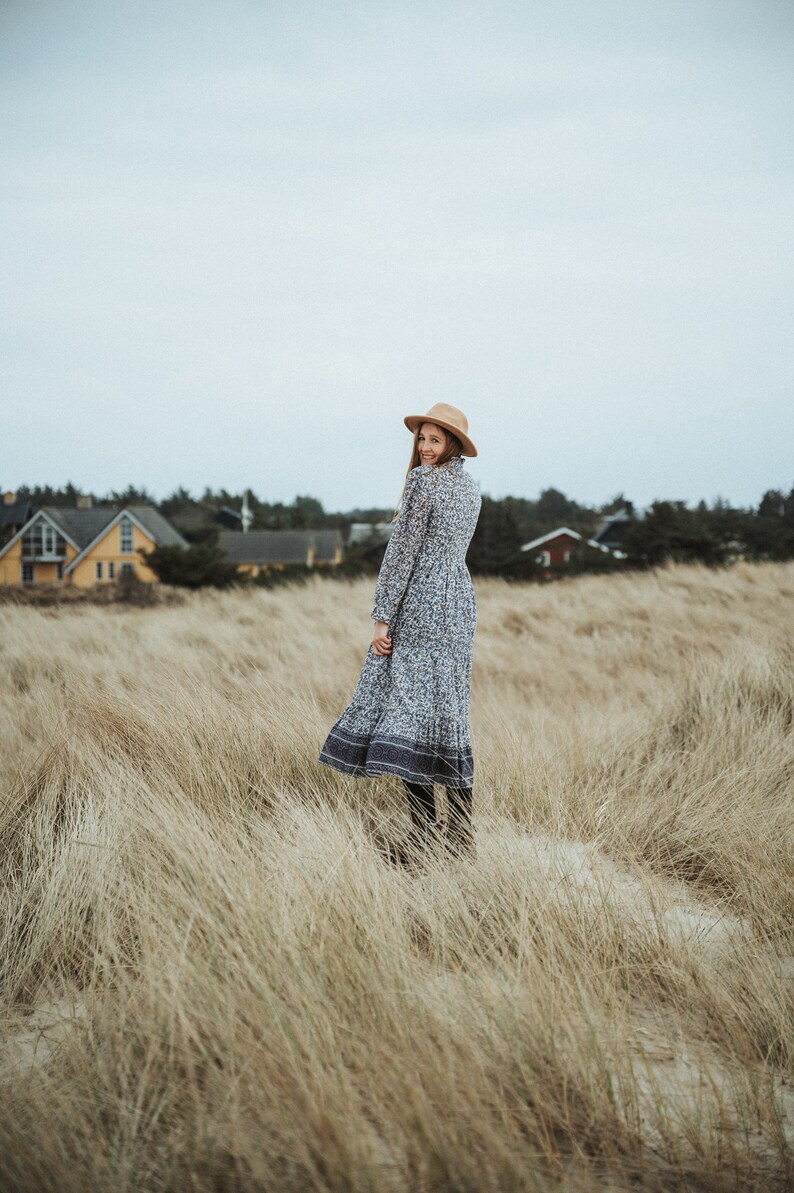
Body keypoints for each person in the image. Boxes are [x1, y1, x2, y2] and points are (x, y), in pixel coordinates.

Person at [318, 403, 482, 868]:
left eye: (435, 440)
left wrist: (382, 617)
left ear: (451, 443)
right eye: (422, 439)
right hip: (459, 605)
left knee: (406, 717)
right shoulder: (471, 489)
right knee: (447, 716)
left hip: (422, 602)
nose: (425, 448)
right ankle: (461, 838)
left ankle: (425, 838)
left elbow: (402, 552)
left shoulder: (422, 482)